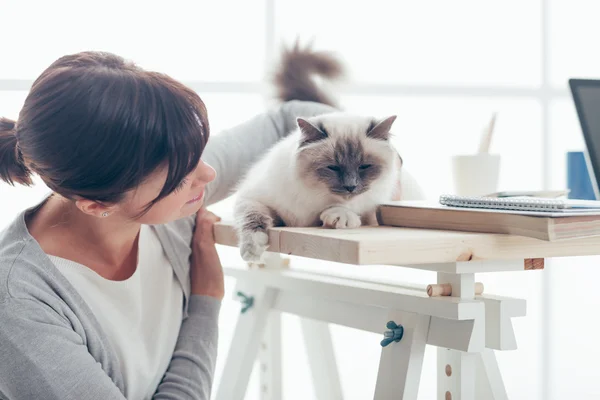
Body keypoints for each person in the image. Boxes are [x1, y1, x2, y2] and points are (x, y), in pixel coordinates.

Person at [0, 51, 336, 400]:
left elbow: (289, 120)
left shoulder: (158, 199)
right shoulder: (19, 306)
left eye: (196, 153)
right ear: (97, 204)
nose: (208, 174)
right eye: (179, 177)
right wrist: (205, 303)